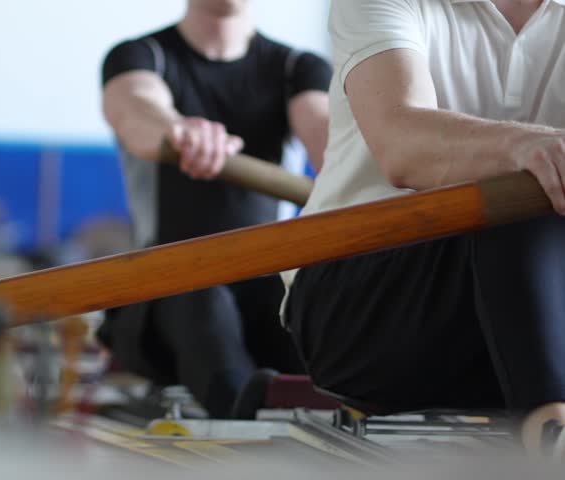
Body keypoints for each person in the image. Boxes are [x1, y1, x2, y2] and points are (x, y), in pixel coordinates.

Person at [283, 0, 565, 454]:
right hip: (360, 305)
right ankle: (552, 437)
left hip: (532, 309)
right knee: (518, 200)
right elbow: (401, 145)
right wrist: (524, 145)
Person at [97, 0, 331, 418]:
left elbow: (329, 136)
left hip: (264, 297)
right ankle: (243, 424)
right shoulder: (140, 56)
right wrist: (176, 130)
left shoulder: (298, 68)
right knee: (200, 296)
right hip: (163, 301)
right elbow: (136, 109)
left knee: (313, 313)